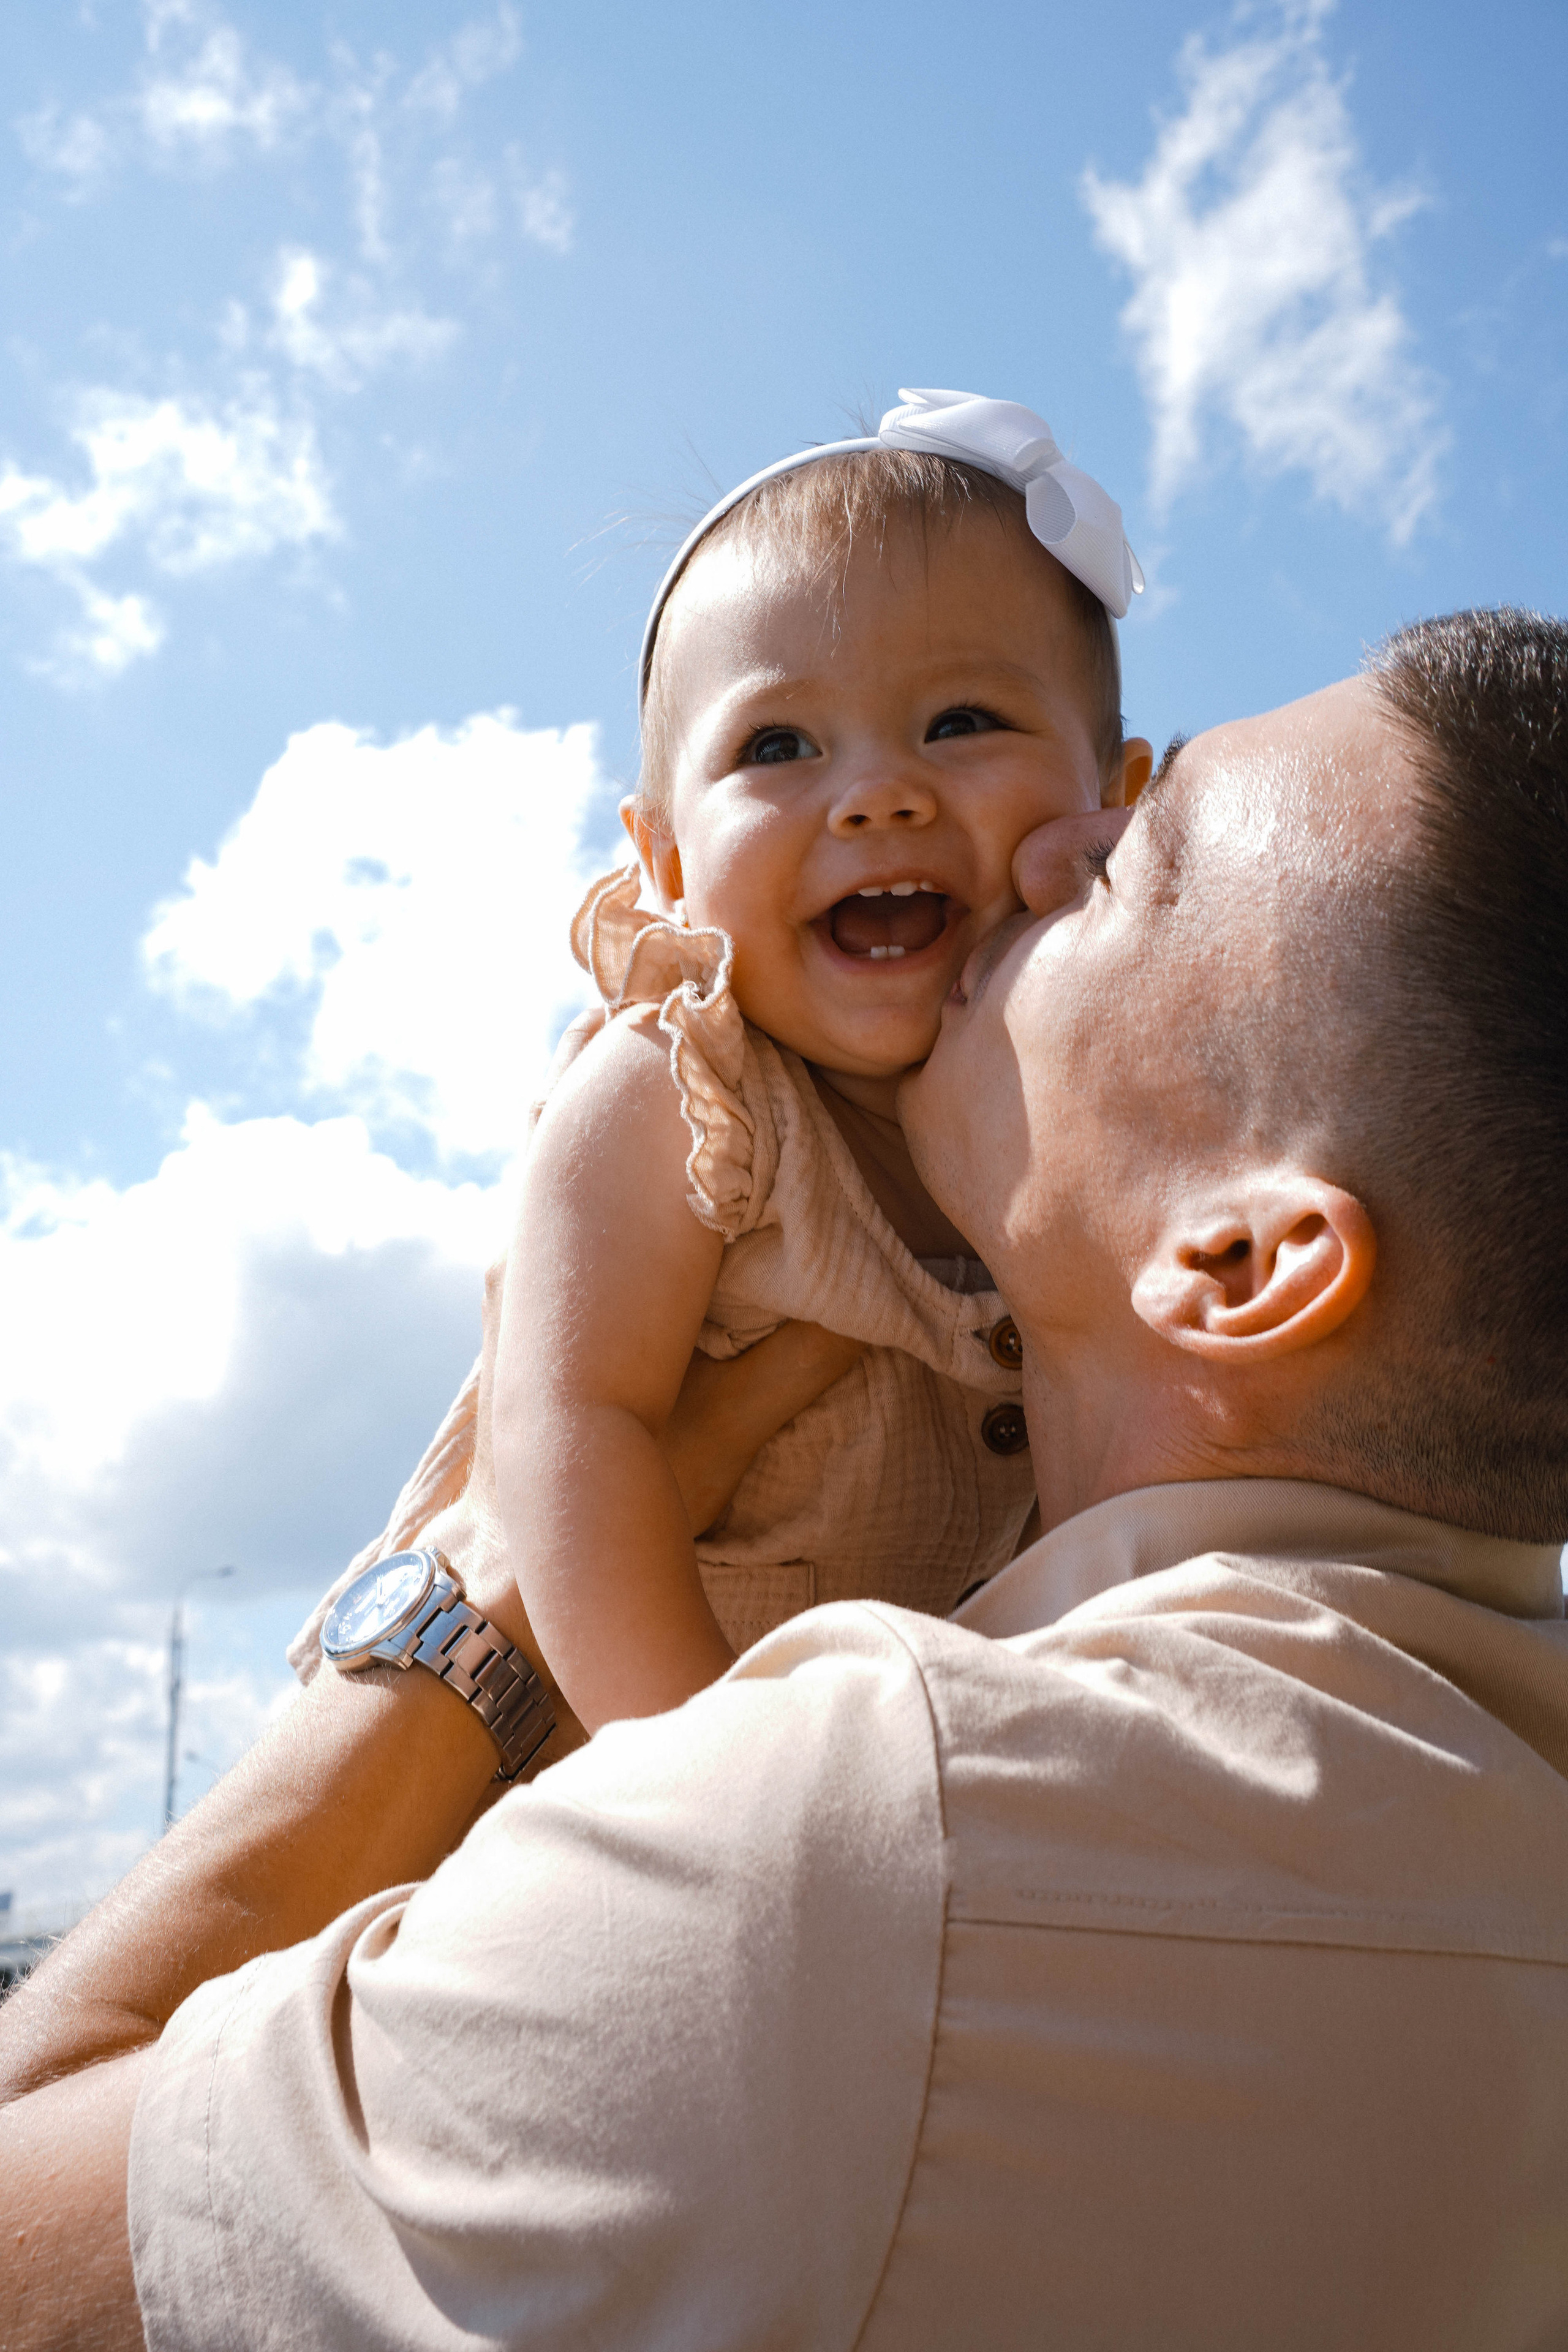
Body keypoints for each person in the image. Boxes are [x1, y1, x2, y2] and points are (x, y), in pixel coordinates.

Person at [4, 608, 1568, 2351]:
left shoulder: (875, 1845)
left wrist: (485, 1582)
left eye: (1142, 865)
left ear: (1237, 1262)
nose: (1047, 841)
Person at [290, 390, 1155, 1738]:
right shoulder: (684, 1089)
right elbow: (571, 1438)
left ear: (1117, 802)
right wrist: (685, 1782)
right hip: (596, 1760)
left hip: (920, 1780)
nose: (878, 792)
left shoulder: (1126, 1105)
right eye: (777, 746)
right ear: (666, 863)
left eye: (963, 720)